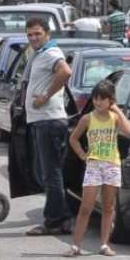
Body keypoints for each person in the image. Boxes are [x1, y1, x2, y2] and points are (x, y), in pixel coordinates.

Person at [64, 80, 130, 257]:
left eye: (102, 99)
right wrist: (82, 154)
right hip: (94, 164)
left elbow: (129, 130)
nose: (98, 102)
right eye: (95, 98)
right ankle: (76, 245)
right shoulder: (88, 118)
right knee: (86, 207)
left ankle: (104, 244)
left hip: (112, 164)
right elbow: (73, 138)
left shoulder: (114, 118)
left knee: (108, 207)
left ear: (110, 100)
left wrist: (117, 109)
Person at [24, 17, 74, 236]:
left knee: (50, 174)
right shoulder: (39, 54)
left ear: (47, 34)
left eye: (37, 34)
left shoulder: (51, 53)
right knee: (45, 173)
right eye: (30, 35)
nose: (33, 38)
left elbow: (66, 71)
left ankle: (53, 221)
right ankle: (63, 217)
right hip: (41, 120)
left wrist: (45, 95)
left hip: (48, 120)